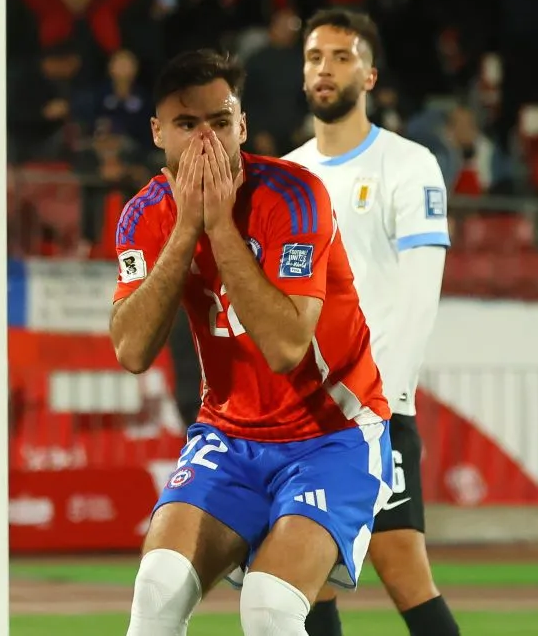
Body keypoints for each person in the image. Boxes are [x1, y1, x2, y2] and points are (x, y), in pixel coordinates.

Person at [111, 48, 393, 636]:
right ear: (159, 133)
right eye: (188, 125)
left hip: (331, 435)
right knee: (156, 592)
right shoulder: (145, 216)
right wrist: (188, 227)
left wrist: (216, 225)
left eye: (219, 121)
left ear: (242, 125)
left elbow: (287, 345)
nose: (207, 140)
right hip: (229, 435)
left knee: (269, 608)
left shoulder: (295, 198)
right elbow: (132, 352)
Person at [283, 9, 460, 636]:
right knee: (307, 583)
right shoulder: (286, 177)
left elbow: (419, 295)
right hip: (300, 415)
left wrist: (374, 398)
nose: (325, 68)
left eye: (341, 56)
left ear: (370, 73)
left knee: (402, 570)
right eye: (313, 57)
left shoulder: (408, 166)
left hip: (373, 410)